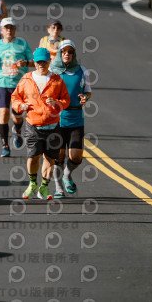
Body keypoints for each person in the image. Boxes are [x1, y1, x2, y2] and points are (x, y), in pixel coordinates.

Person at [11, 48, 70, 201]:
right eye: (38, 62)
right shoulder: (26, 79)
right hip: (33, 125)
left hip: (53, 126)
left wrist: (57, 103)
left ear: (49, 62)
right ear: (35, 63)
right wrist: (20, 106)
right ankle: (32, 183)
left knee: (50, 158)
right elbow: (15, 97)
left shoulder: (57, 80)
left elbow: (66, 100)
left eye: (44, 62)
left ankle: (44, 187)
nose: (41, 65)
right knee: (33, 156)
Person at [50, 40, 91, 198]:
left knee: (76, 156)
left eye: (70, 52)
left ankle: (67, 175)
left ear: (74, 54)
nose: (67, 54)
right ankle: (58, 187)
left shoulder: (82, 71)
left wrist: (85, 98)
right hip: (57, 118)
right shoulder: (52, 71)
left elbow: (87, 91)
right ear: (60, 54)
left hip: (76, 118)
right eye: (64, 51)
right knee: (58, 155)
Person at [0, 17, 33, 157]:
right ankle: (5, 145)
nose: (9, 30)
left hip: (19, 85)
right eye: (6, 28)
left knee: (17, 116)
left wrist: (25, 63)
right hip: (2, 84)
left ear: (15, 29)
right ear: (1, 30)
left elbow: (34, 62)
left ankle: (17, 131)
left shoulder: (22, 44)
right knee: (3, 114)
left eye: (11, 28)